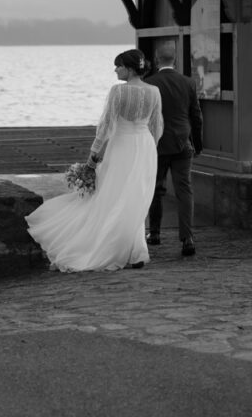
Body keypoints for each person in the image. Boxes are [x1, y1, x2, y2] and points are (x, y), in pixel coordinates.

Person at [25, 49, 163, 272]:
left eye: (118, 66)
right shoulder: (155, 91)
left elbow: (106, 127)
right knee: (136, 197)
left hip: (122, 146)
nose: (115, 70)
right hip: (145, 147)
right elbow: (157, 126)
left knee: (113, 195)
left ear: (129, 68)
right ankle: (137, 251)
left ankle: (124, 248)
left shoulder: (118, 92)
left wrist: (93, 155)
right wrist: (151, 149)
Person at [144, 42, 203, 256]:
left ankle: (155, 233)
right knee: (184, 190)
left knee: (156, 189)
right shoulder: (188, 83)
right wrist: (197, 143)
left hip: (157, 144)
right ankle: (187, 238)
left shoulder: (149, 84)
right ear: (175, 60)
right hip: (182, 143)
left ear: (157, 60)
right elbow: (196, 116)